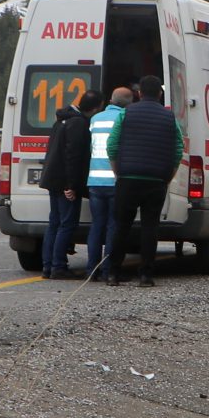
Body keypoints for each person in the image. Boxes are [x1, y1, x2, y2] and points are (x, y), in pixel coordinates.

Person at [105, 84, 184, 286]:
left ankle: (113, 272)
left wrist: (118, 172)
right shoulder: (170, 118)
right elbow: (177, 150)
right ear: (160, 94)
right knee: (150, 227)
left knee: (121, 226)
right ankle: (145, 275)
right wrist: (167, 178)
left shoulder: (125, 114)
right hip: (156, 180)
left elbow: (112, 145)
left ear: (139, 94)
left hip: (127, 179)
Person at [38, 91, 97, 278]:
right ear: (96, 108)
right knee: (67, 224)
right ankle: (58, 266)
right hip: (65, 181)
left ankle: (47, 266)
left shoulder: (61, 120)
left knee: (54, 222)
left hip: (52, 178)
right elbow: (73, 156)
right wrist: (71, 185)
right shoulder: (78, 124)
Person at [83, 87, 132, 281]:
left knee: (97, 226)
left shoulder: (95, 119)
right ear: (129, 102)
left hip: (94, 181)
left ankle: (91, 270)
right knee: (113, 227)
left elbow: (91, 147)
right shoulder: (125, 119)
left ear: (111, 100)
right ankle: (107, 270)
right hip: (114, 181)